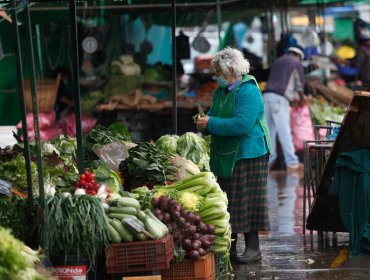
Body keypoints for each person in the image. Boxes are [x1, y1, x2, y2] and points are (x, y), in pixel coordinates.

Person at [196, 47, 272, 264]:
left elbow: (242, 124)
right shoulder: (222, 91)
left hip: (250, 152)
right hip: (227, 152)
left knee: (247, 201)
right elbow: (214, 114)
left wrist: (211, 123)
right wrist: (205, 122)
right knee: (228, 201)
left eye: (219, 72)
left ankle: (253, 248)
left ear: (231, 69)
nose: (216, 76)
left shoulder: (248, 91)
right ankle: (228, 247)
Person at [263, 46, 306, 173]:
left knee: (269, 132)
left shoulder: (278, 60)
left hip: (266, 96)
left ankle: (268, 161)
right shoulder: (296, 62)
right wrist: (301, 98)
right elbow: (299, 85)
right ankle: (292, 163)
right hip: (279, 99)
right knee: (284, 131)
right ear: (298, 55)